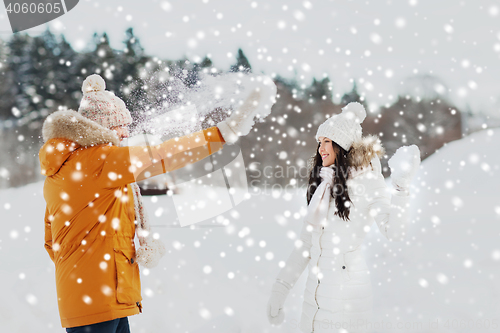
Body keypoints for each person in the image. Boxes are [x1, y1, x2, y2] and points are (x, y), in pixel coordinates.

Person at [40, 74, 276, 332]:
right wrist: (222, 132)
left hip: (91, 297)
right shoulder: (100, 160)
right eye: (120, 126)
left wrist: (82, 270)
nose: (126, 132)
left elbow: (52, 241)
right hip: (98, 300)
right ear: (102, 128)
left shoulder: (65, 168)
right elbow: (163, 155)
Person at [266, 102, 421, 333]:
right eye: (319, 142)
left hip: (347, 299)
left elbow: (394, 232)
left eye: (327, 141)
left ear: (342, 146)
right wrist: (281, 288)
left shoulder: (368, 180)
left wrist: (401, 188)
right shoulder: (322, 185)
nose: (321, 149)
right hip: (314, 301)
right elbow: (306, 246)